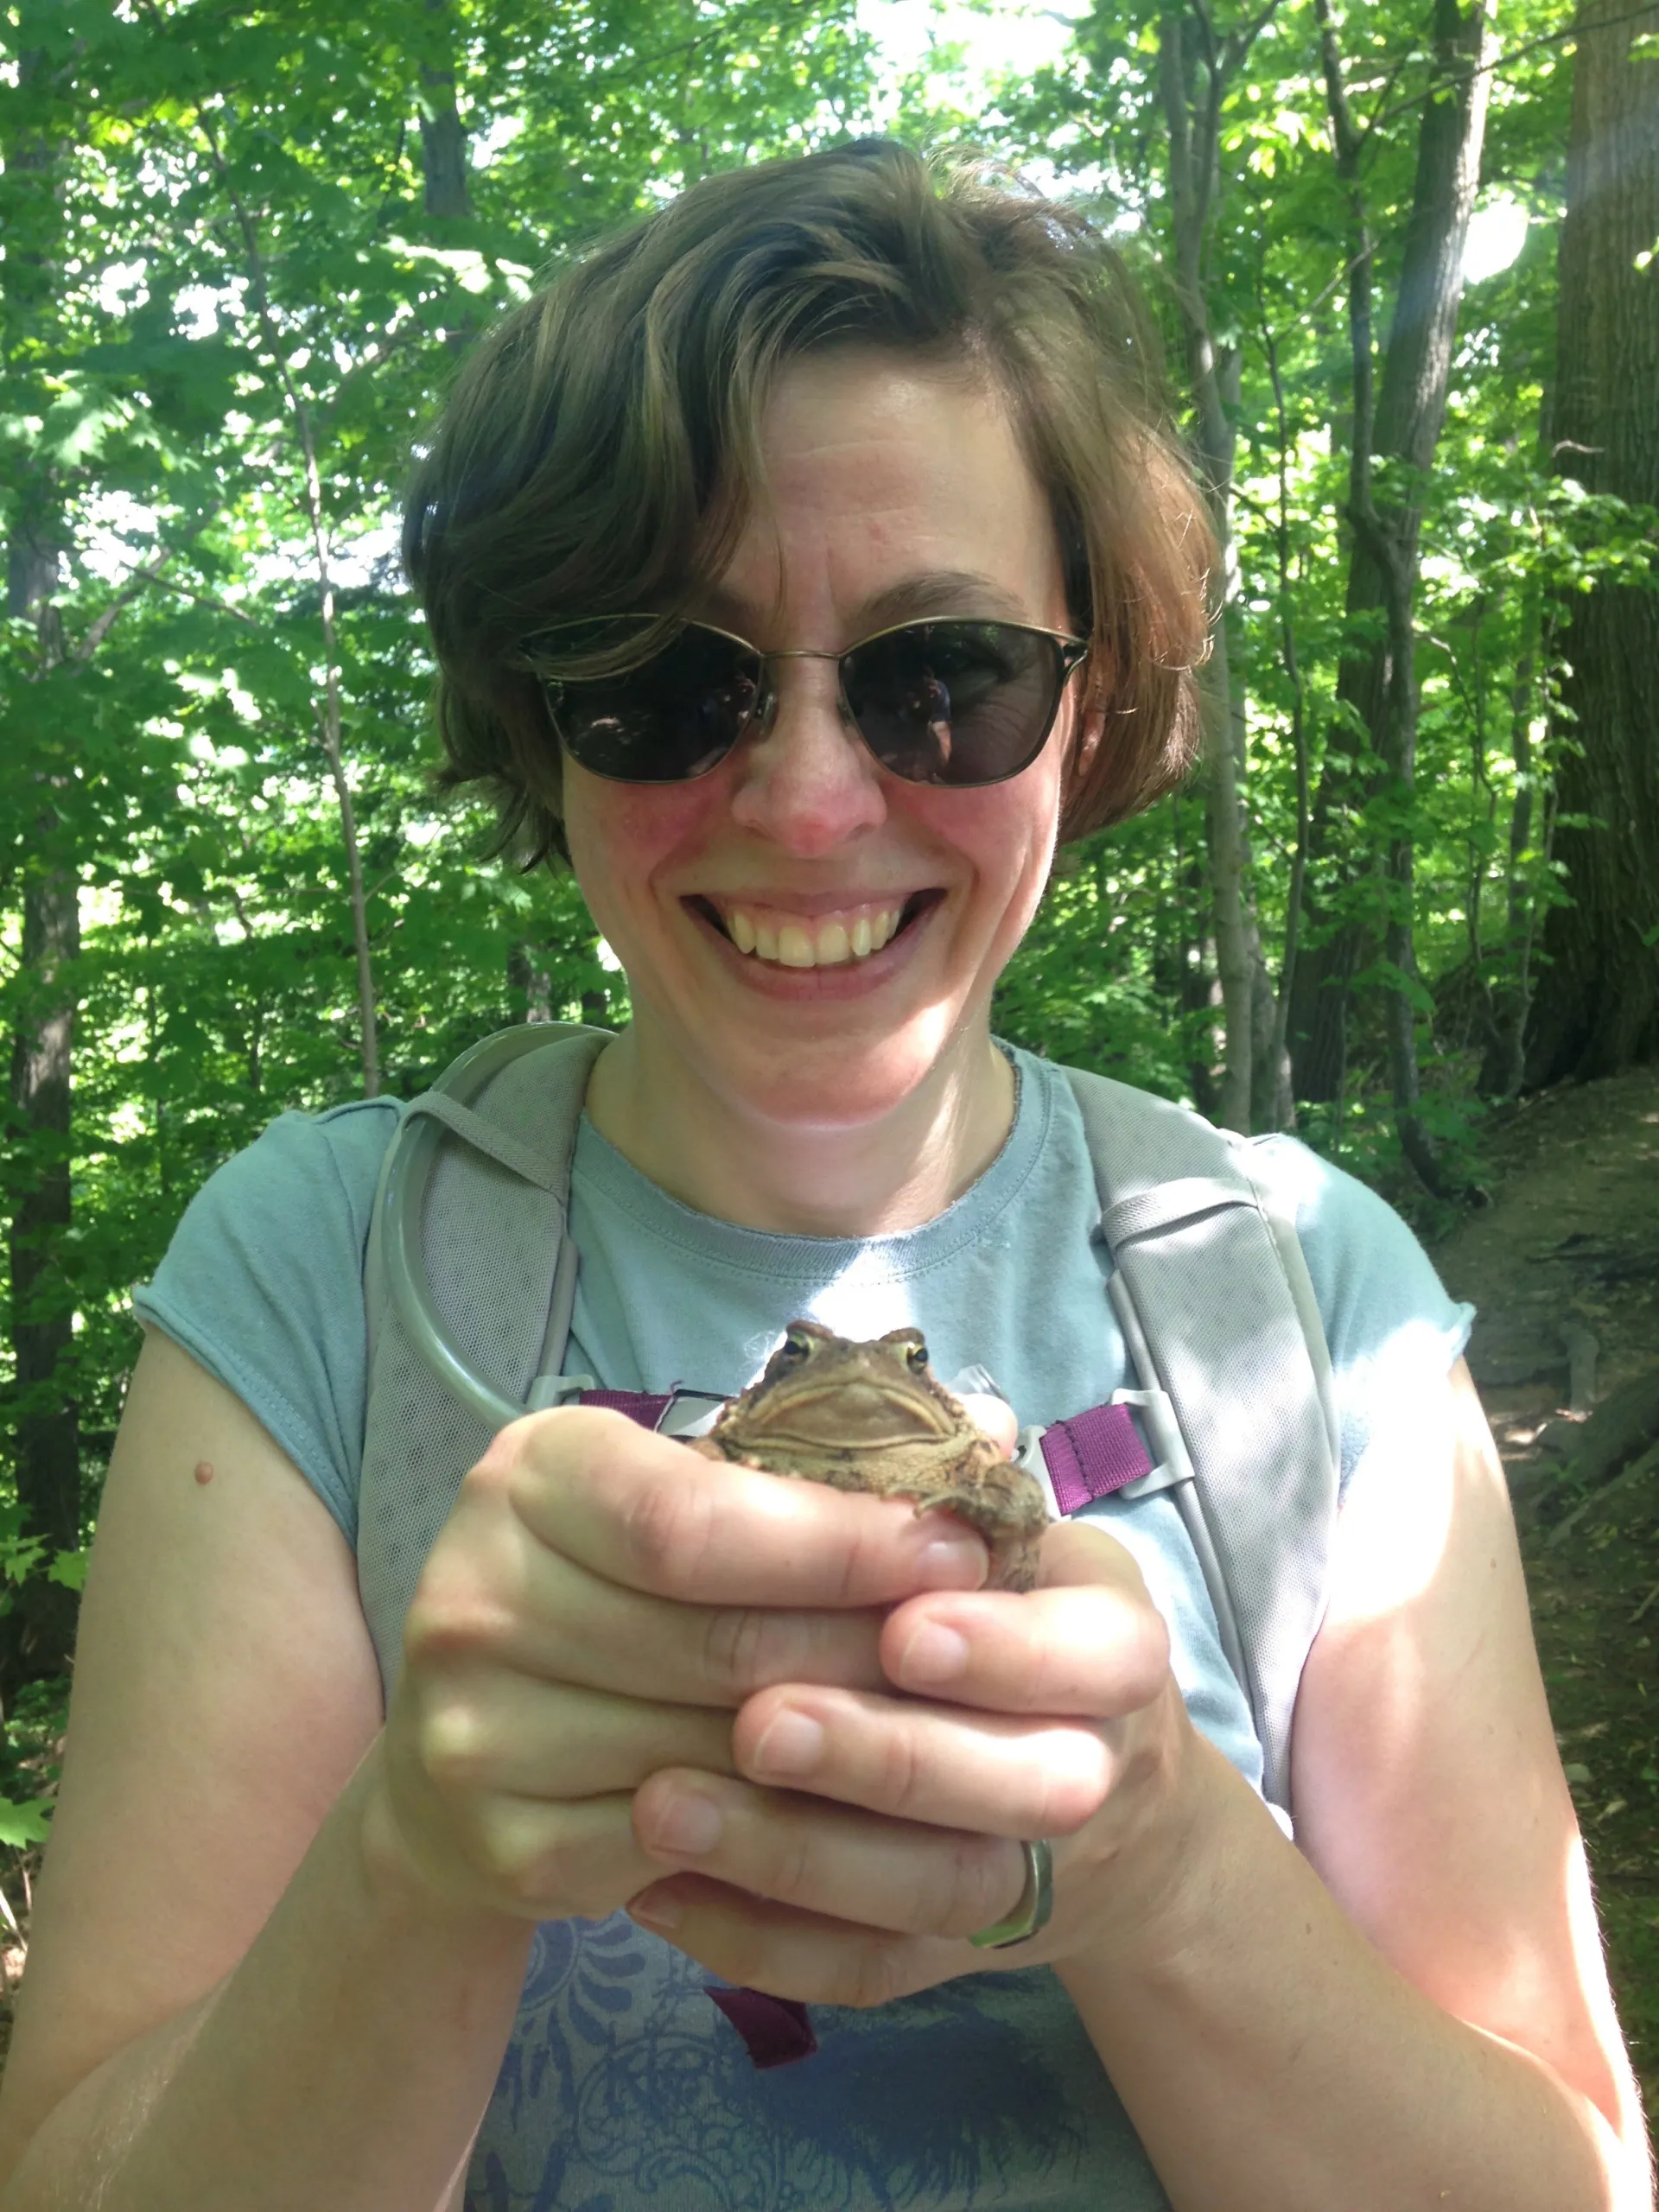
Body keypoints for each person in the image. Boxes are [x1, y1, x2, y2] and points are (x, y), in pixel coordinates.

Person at [0, 140, 1647, 2212]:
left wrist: (1165, 1867)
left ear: (1090, 704)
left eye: (943, 672)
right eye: (661, 680)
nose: (802, 799)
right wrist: (412, 1858)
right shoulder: (324, 1276)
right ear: (542, 719)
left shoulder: (1310, 1290)